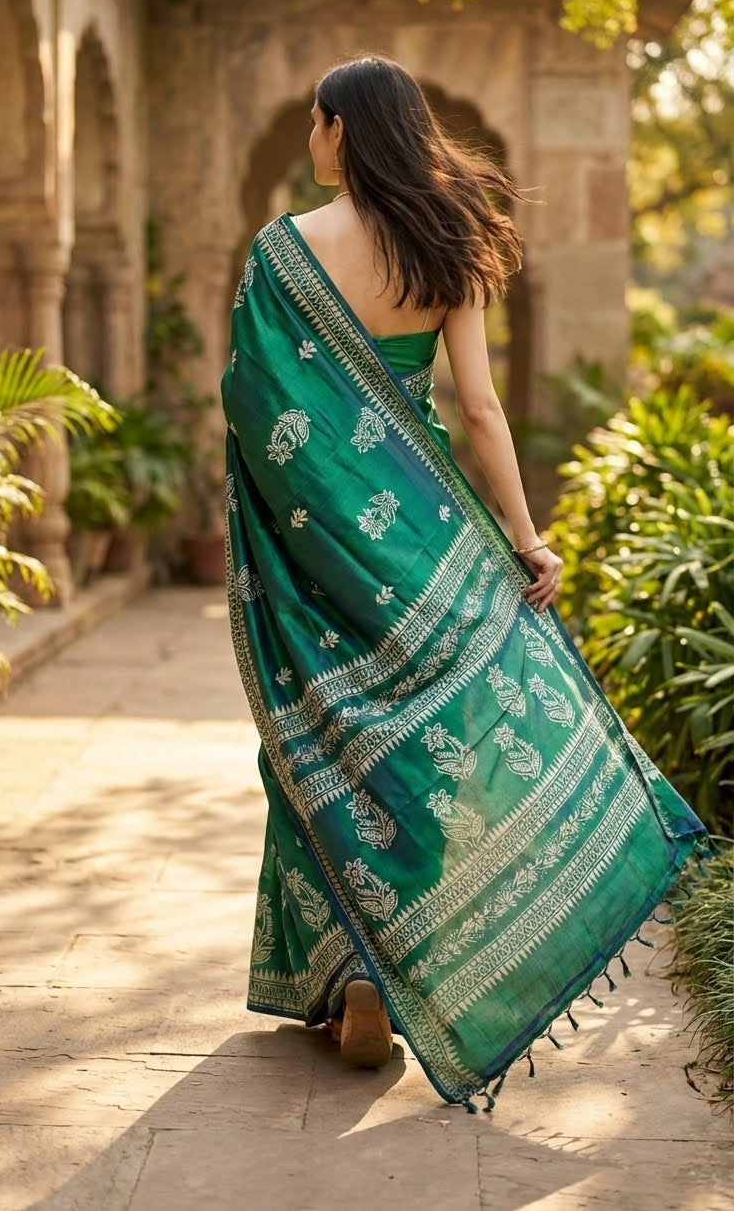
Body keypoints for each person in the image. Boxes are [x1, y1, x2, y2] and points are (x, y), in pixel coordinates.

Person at [221, 55, 709, 1112]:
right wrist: (527, 542)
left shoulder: (280, 255)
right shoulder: (449, 246)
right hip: (430, 544)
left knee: (320, 741)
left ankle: (353, 971)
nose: (309, 141)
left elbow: (252, 397)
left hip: (317, 552)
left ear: (342, 129)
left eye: (315, 124)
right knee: (439, 740)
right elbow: (479, 410)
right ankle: (409, 967)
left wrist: (299, 518)